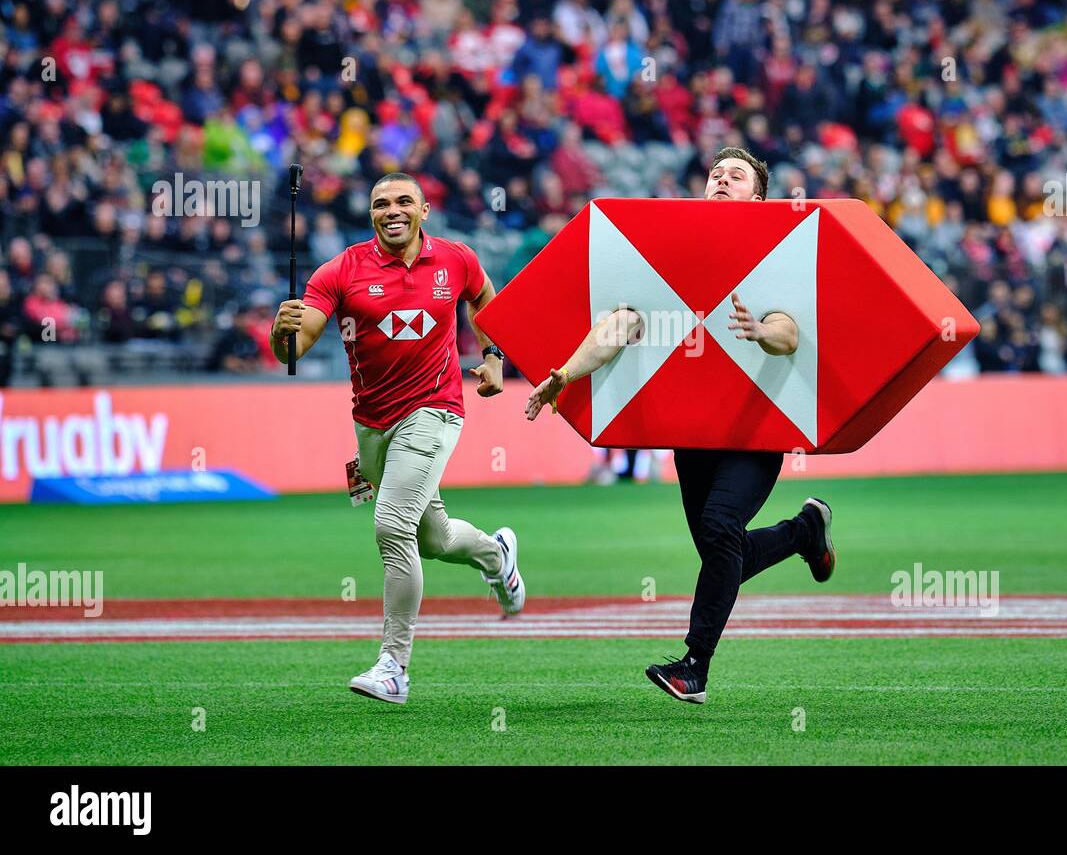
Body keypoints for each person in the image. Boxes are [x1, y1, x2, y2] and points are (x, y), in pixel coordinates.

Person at [524, 147, 834, 705]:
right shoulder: (668, 255)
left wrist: (761, 331)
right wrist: (564, 374)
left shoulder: (779, 251)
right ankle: (802, 533)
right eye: (715, 173)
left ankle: (694, 668)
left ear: (758, 198)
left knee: (719, 532)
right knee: (723, 550)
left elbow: (790, 332)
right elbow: (621, 322)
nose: (721, 179)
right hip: (692, 430)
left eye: (736, 175)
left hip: (754, 428)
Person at [270, 172, 523, 706]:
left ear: (424, 210)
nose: (393, 210)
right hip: (373, 426)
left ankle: (394, 666)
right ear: (371, 214)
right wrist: (281, 333)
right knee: (431, 539)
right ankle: (497, 555)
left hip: (436, 409)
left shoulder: (456, 258)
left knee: (390, 525)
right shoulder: (340, 271)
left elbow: (484, 298)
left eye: (404, 201)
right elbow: (296, 347)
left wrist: (493, 358)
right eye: (381, 203)